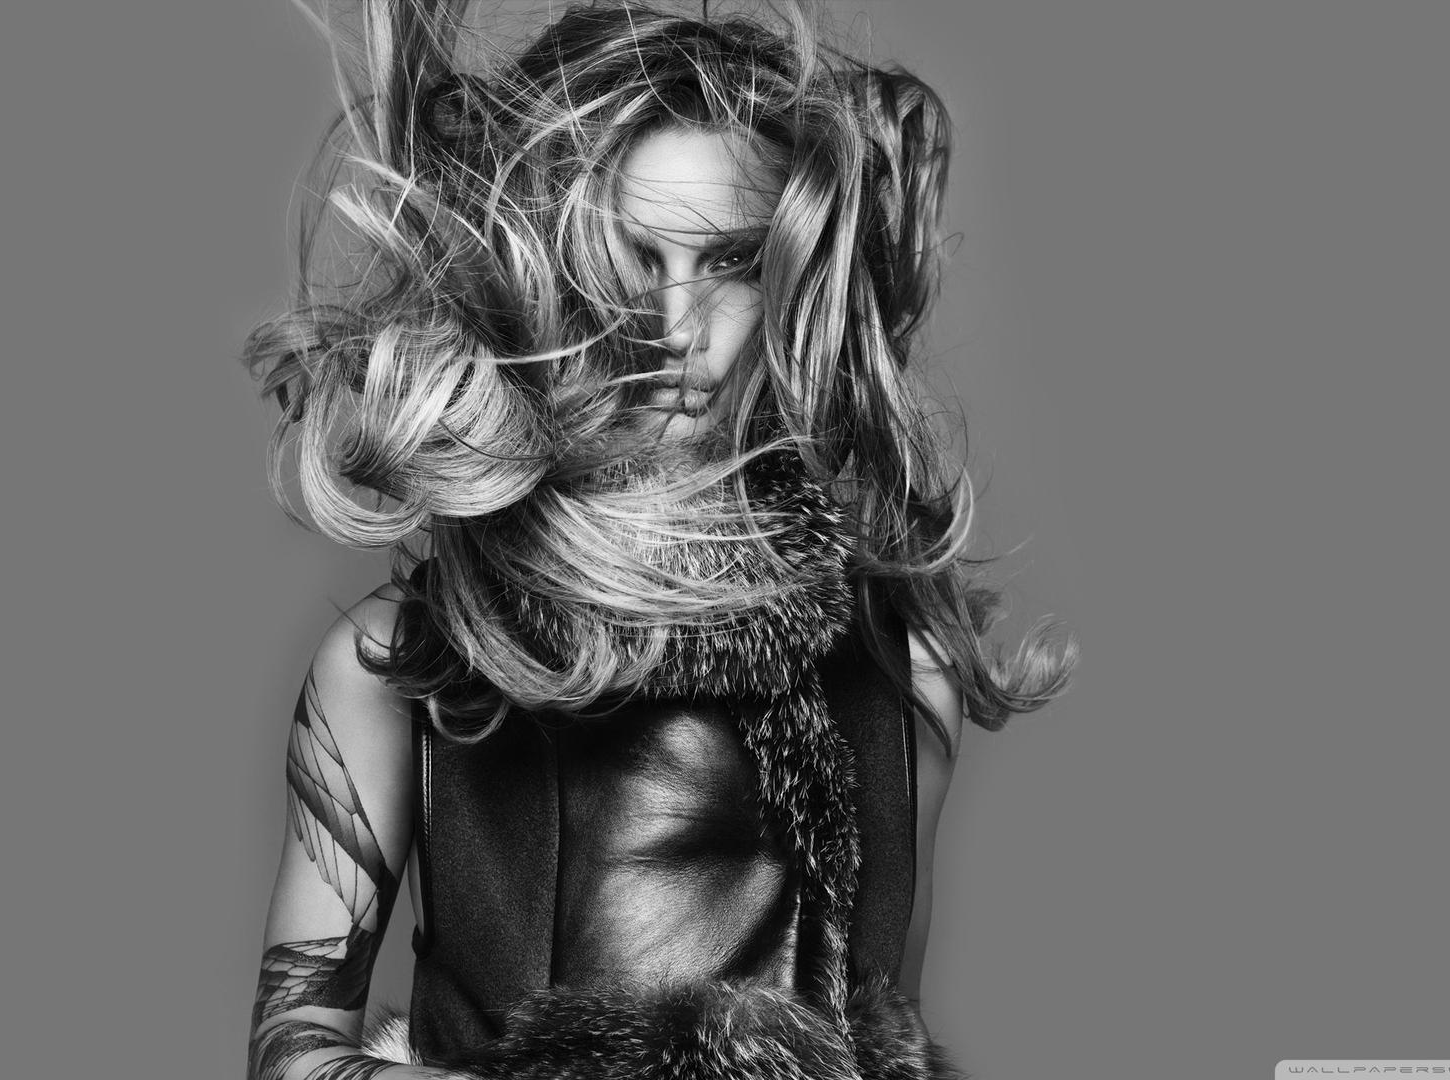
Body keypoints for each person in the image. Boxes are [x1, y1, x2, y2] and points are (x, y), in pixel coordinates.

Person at [241, 3, 1074, 1077]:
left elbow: (887, 1046)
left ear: (787, 282)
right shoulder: (395, 660)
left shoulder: (904, 674)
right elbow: (294, 1051)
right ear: (554, 269)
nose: (676, 327)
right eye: (632, 256)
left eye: (729, 261)